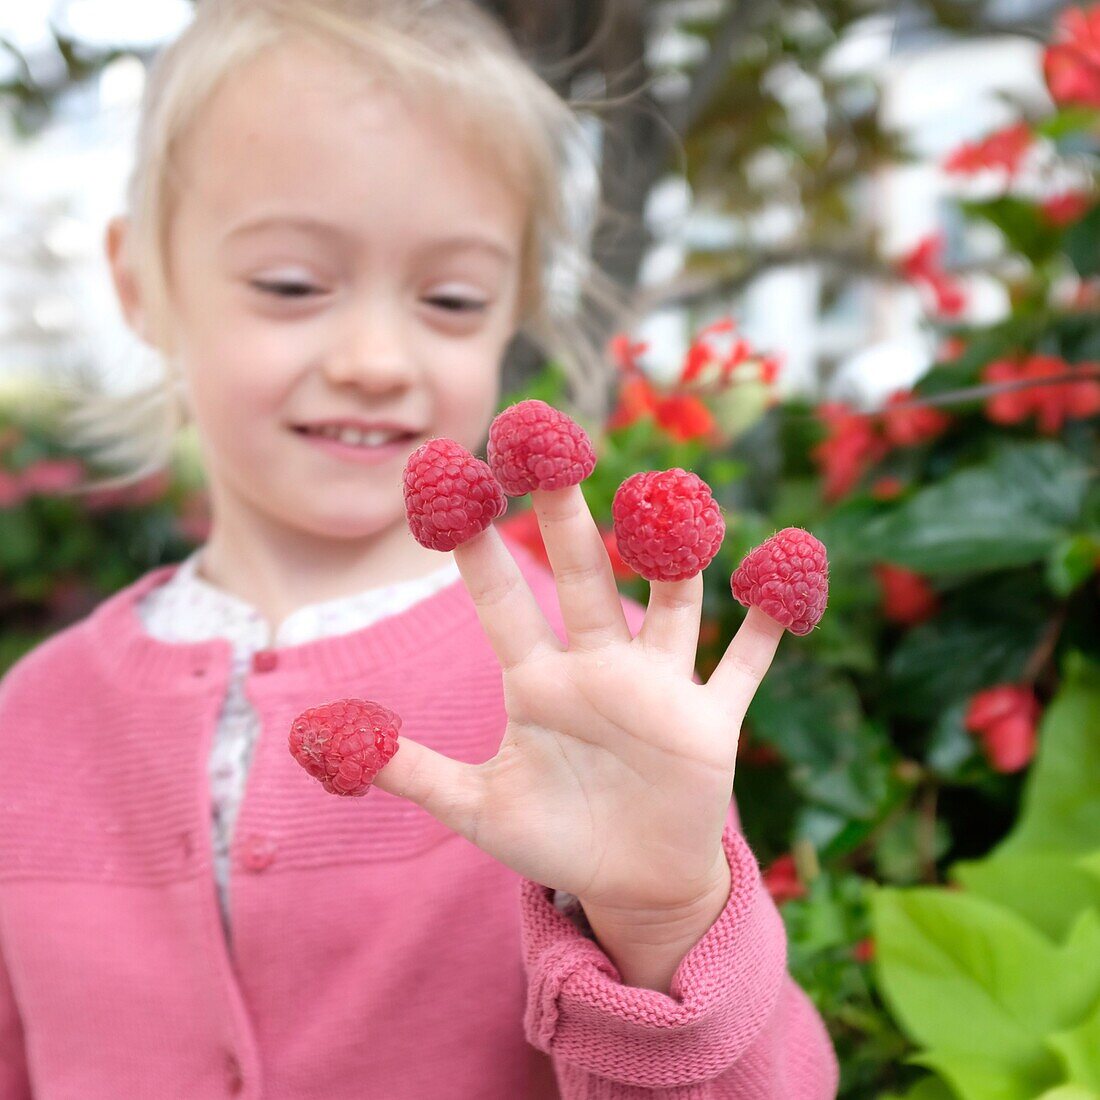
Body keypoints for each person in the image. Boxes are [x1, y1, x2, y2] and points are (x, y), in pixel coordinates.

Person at [0, 1, 839, 1096]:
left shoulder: (614, 699)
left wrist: (663, 917)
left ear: (514, 314)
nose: (373, 357)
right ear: (139, 283)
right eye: (291, 283)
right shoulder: (33, 718)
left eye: (449, 297)